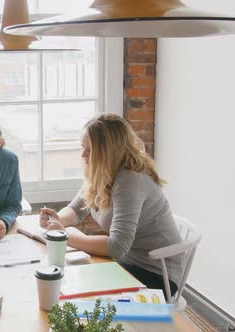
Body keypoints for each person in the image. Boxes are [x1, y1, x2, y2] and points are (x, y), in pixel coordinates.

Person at [40, 113, 183, 296]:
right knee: (69, 278)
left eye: (90, 150)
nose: (83, 154)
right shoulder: (102, 172)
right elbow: (76, 209)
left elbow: (116, 247)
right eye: (83, 147)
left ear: (108, 151)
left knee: (74, 284)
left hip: (156, 274)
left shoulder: (130, 181)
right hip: (127, 262)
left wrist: (64, 235)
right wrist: (56, 219)